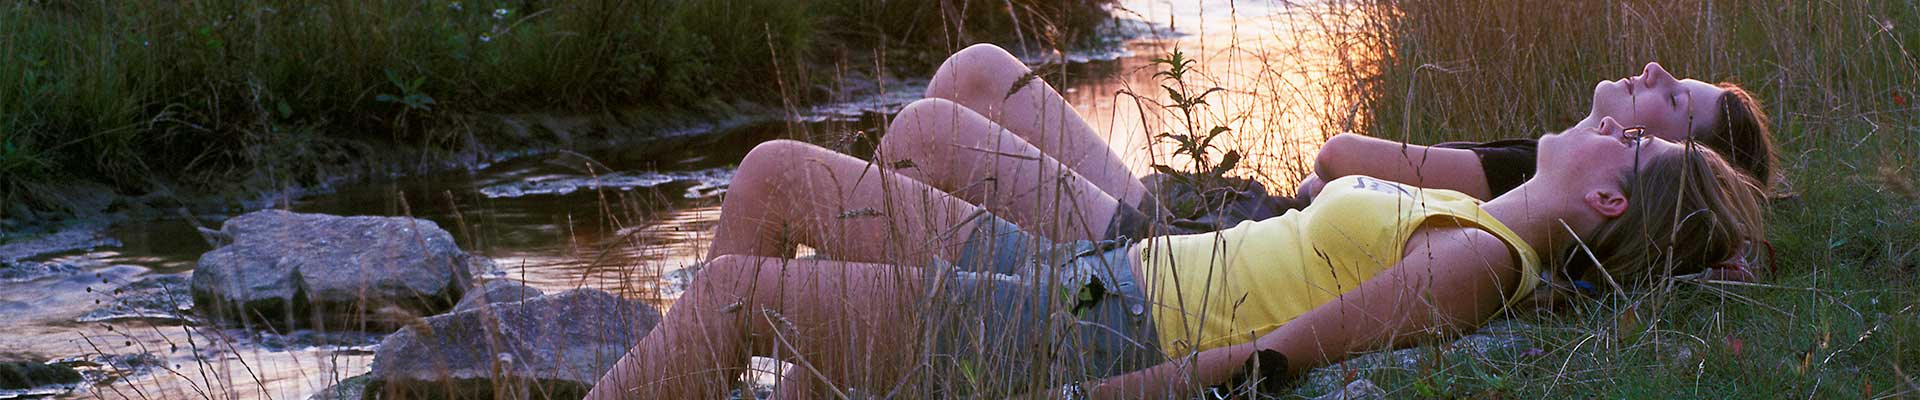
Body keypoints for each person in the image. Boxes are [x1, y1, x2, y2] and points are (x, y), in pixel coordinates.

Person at [584, 114, 1768, 398]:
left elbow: (1268, 359)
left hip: (1096, 325)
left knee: (739, 293)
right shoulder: (1499, 223)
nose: (1613, 113)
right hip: (1096, 288)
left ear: (1610, 195)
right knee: (777, 174)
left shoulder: (1475, 260)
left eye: (1635, 135)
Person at [879, 44, 1776, 243]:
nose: (1654, 72)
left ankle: (778, 360)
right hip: (1223, 215)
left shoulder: (1534, 178)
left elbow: (1339, 157)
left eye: (1675, 97)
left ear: (1670, 155)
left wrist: (1329, 179)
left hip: (1197, 249)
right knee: (975, 76)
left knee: (939, 128)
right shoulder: (1549, 160)